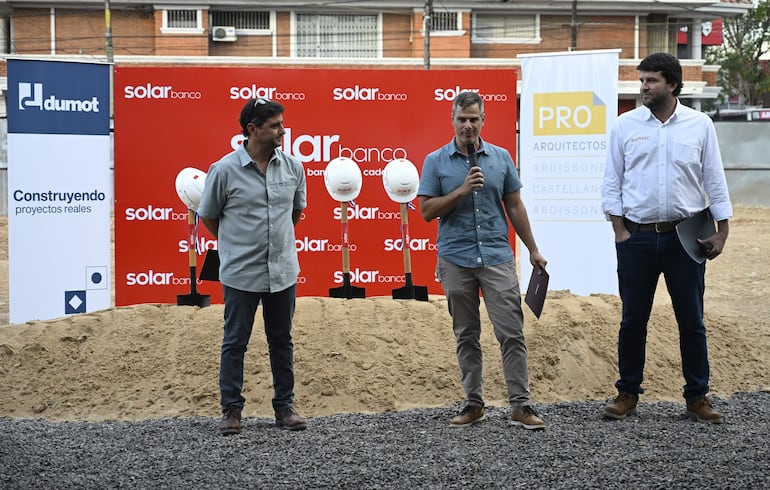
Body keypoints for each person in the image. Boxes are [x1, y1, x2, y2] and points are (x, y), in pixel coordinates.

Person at [601, 52, 732, 424]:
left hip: (685, 239)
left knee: (691, 320)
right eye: (642, 80)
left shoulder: (700, 124)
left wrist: (722, 232)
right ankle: (627, 392)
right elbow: (612, 182)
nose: (643, 87)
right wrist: (620, 231)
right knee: (632, 320)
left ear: (672, 84)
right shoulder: (625, 126)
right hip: (637, 239)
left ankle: (697, 397)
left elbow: (715, 181)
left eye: (651, 80)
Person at [417, 90, 548, 430]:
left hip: (495, 256)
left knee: (511, 333)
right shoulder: (435, 161)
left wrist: (533, 249)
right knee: (467, 334)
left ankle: (520, 405)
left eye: (474, 119)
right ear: (453, 120)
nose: (468, 125)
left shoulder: (501, 158)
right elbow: (427, 212)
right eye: (462, 119)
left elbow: (515, 206)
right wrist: (461, 190)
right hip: (456, 258)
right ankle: (474, 403)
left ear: (483, 120)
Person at [197, 97, 308, 434]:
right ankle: (231, 411)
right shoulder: (224, 169)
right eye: (275, 125)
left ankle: (284, 408)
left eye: (282, 124)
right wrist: (235, 246)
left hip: (283, 272)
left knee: (282, 340)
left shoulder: (293, 168)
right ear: (252, 129)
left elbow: (295, 213)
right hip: (240, 273)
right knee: (235, 342)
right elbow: (209, 215)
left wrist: (275, 245)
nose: (282, 130)